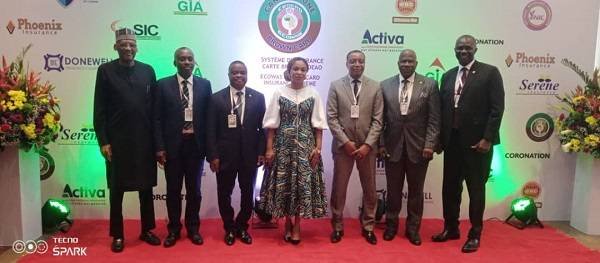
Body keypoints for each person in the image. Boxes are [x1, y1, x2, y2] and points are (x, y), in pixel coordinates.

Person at [431, 34, 504, 253]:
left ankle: (475, 234)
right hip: (451, 143)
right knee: (450, 189)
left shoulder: (490, 73)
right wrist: (439, 140)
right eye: (459, 48)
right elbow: (443, 111)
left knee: (475, 190)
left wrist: (487, 139)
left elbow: (497, 109)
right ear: (454, 50)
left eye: (467, 47)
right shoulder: (448, 75)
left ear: (475, 49)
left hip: (477, 145)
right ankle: (451, 228)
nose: (463, 51)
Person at [93, 28, 160, 252]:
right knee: (116, 190)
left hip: (144, 142)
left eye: (132, 44)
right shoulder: (105, 71)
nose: (128, 48)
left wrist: (157, 144)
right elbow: (99, 110)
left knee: (145, 189)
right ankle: (118, 234)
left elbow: (155, 111)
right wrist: (103, 141)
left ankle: (147, 229)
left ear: (137, 47)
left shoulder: (148, 71)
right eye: (123, 45)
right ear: (115, 47)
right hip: (117, 142)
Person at [259, 57, 328, 245]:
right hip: (283, 146)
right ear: (289, 71)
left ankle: (297, 225)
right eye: (295, 69)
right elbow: (272, 125)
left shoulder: (313, 93)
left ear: (307, 72)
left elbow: (319, 125)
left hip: (306, 147)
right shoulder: (279, 92)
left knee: (300, 186)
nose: (299, 72)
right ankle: (287, 222)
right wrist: (269, 149)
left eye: (303, 69)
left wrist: (318, 148)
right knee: (286, 185)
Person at [378, 49, 440, 246]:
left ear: (416, 63)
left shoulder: (429, 84)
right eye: (403, 61)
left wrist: (430, 144)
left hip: (419, 149)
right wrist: (381, 144)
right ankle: (391, 226)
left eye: (410, 61)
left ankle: (413, 229)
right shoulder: (385, 85)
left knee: (416, 192)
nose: (406, 64)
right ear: (398, 63)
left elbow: (434, 119)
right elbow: (379, 120)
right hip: (392, 148)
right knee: (393, 190)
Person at [154, 47, 212, 248]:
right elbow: (157, 119)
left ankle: (193, 228)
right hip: (172, 147)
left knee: (194, 191)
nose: (186, 62)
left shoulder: (205, 85)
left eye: (189, 59)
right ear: (174, 62)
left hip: (196, 147)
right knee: (173, 191)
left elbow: (209, 119)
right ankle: (173, 230)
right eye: (182, 59)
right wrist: (159, 147)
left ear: (194, 62)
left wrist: (210, 149)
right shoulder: (162, 85)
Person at [327, 50, 384, 245]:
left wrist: (368, 144)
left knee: (370, 189)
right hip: (344, 148)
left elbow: (378, 120)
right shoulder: (336, 86)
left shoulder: (375, 87)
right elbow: (331, 118)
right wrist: (346, 142)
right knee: (339, 188)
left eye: (360, 61)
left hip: (367, 148)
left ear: (365, 63)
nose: (357, 64)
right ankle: (337, 226)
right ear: (347, 63)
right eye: (353, 61)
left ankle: (368, 226)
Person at [206, 61, 266, 246]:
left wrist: (261, 152)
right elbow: (210, 130)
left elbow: (263, 128)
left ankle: (242, 226)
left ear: (247, 74)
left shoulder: (258, 97)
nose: (238, 76)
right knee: (224, 193)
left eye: (242, 72)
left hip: (249, 156)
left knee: (248, 193)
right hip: (224, 157)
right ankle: (229, 227)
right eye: (235, 72)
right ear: (229, 74)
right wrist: (213, 156)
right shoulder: (216, 98)